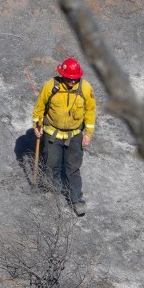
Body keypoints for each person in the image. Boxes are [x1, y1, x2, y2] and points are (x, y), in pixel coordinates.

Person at [32, 57, 95, 216]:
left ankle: (76, 200)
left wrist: (88, 133)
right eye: (69, 79)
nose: (72, 82)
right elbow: (39, 108)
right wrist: (36, 126)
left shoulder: (86, 88)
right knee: (52, 164)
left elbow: (90, 111)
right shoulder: (50, 86)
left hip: (74, 136)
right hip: (52, 134)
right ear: (62, 75)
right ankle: (51, 190)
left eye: (75, 79)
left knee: (73, 168)